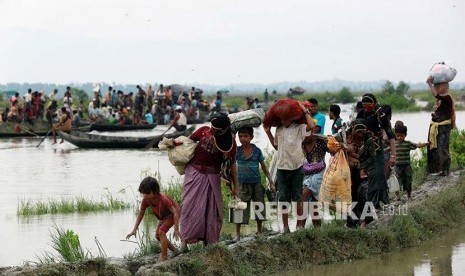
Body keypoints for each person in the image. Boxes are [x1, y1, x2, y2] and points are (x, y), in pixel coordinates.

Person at [179, 113, 239, 250]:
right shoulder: (203, 130)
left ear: (225, 129)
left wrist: (236, 187)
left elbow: (233, 164)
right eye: (213, 128)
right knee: (189, 207)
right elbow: (188, 142)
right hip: (194, 173)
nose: (214, 132)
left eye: (218, 131)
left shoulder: (230, 143)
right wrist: (174, 144)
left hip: (213, 176)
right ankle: (184, 242)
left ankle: (209, 243)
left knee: (212, 211)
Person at [264, 102, 315, 233]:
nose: (284, 120)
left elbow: (312, 126)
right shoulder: (279, 130)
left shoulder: (299, 127)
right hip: (282, 167)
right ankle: (285, 227)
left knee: (298, 197)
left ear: (292, 118)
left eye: (286, 118)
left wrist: (305, 111)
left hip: (297, 167)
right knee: (283, 198)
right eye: (282, 118)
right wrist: (268, 132)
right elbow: (276, 147)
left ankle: (298, 226)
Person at [126, 176, 181, 262]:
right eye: (143, 193)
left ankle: (164, 256)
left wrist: (176, 229)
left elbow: (175, 212)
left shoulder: (163, 199)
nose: (145, 195)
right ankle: (175, 251)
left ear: (155, 191)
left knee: (161, 231)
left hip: (174, 214)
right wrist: (134, 229)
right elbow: (141, 213)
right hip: (163, 216)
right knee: (158, 236)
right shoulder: (146, 200)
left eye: (147, 193)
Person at [234, 127, 275, 241]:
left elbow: (264, 166)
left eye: (246, 136)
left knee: (259, 207)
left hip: (256, 183)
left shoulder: (257, 151)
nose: (243, 138)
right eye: (240, 136)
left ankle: (259, 230)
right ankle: (237, 234)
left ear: (251, 137)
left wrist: (271, 181)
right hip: (242, 184)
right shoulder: (236, 151)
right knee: (240, 208)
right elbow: (231, 165)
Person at [356, 93, 396, 209]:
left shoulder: (380, 115)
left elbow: (391, 135)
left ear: (374, 104)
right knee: (370, 176)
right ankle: (376, 202)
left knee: (377, 175)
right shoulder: (361, 114)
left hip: (377, 151)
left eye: (369, 105)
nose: (367, 108)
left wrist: (393, 155)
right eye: (364, 105)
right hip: (364, 151)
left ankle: (373, 202)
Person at [296, 133, 328, 229]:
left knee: (303, 196)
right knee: (313, 206)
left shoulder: (321, 141)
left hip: (319, 174)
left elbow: (333, 150)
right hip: (306, 174)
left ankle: (300, 227)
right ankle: (317, 230)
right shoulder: (299, 143)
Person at [426, 76, 455, 176]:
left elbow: (436, 95)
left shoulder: (447, 97)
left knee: (442, 148)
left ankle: (444, 170)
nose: (436, 87)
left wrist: (430, 83)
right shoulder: (442, 100)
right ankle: (437, 170)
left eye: (438, 85)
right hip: (437, 126)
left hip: (442, 127)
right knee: (435, 148)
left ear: (443, 86)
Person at [394, 125, 429, 201]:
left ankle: (409, 196)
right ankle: (397, 196)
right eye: (398, 136)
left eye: (402, 136)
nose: (399, 138)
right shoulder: (394, 144)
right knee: (396, 181)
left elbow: (417, 145)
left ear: (405, 135)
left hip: (406, 166)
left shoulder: (408, 143)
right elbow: (388, 149)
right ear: (396, 135)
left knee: (408, 181)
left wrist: (427, 143)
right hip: (397, 166)